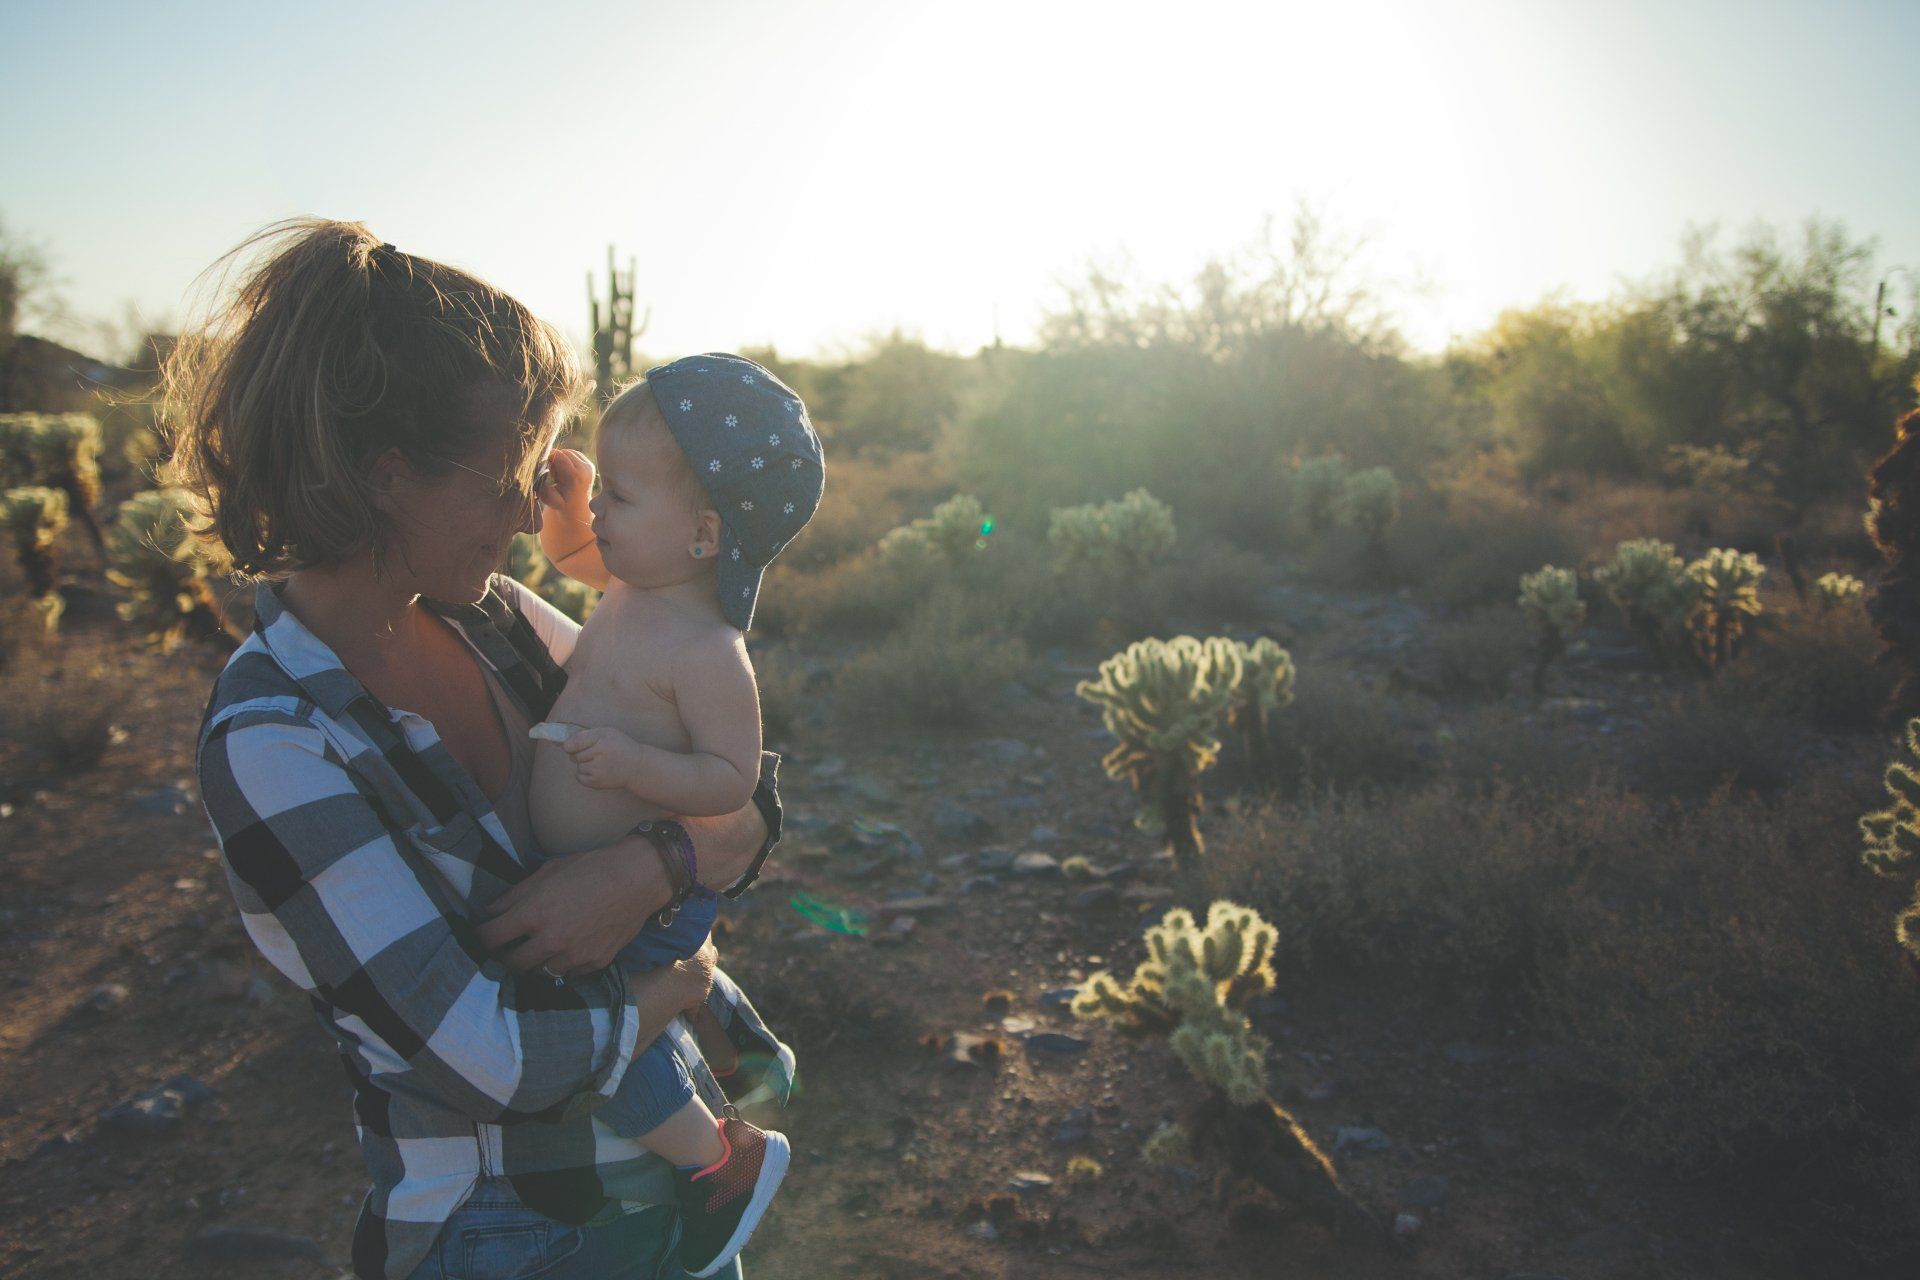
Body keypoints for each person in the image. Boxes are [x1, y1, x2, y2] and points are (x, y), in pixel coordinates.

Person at [162, 218, 787, 1280]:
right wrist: (673, 985)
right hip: (512, 1225)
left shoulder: (492, 618)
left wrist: (650, 866)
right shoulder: (275, 740)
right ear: (386, 476)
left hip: (666, 1188)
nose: (528, 516)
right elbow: (485, 1056)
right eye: (508, 479)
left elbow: (743, 797)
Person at [518, 357, 822, 1275]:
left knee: (609, 1036)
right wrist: (575, 504)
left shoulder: (707, 650)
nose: (602, 515)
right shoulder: (633, 586)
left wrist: (639, 764)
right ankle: (741, 1035)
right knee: (652, 986)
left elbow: (731, 779)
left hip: (640, 903)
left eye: (621, 495)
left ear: (703, 533)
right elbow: (577, 556)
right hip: (623, 891)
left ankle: (719, 1161)